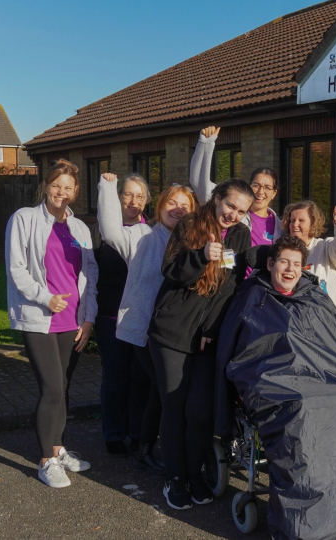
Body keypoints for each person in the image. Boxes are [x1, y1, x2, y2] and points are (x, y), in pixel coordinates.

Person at [216, 234, 336, 540]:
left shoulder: (315, 297)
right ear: (270, 263)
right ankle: (301, 526)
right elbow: (243, 351)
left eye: (296, 264)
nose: (290, 270)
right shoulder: (253, 297)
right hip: (275, 381)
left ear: (304, 268)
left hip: (323, 380)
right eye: (284, 262)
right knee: (302, 409)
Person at [148, 179, 254, 510]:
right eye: (230, 206)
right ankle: (175, 478)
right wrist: (200, 256)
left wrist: (213, 326)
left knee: (200, 413)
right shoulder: (190, 224)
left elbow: (231, 284)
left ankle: (194, 475)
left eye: (241, 211)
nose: (234, 215)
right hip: (172, 333)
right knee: (176, 408)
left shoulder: (239, 235)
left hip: (207, 337)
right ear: (217, 198)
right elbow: (170, 270)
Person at [97, 171, 202, 474]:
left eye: (185, 205)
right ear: (160, 207)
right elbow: (111, 232)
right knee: (158, 386)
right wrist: (106, 187)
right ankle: (143, 444)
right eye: (173, 203)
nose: (178, 209)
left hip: (176, 333)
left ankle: (143, 441)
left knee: (152, 387)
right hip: (144, 328)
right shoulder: (142, 237)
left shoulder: (192, 245)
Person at [5, 158, 98, 488]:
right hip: (39, 319)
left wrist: (88, 318)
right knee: (53, 388)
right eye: (56, 185)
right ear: (45, 186)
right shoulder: (25, 219)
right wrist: (45, 298)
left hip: (72, 321)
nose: (62, 191)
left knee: (64, 388)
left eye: (68, 187)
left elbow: (90, 275)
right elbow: (17, 270)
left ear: (75, 192)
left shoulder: (80, 229)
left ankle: (58, 450)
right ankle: (46, 459)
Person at [90, 174, 151, 458]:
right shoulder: (101, 233)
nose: (133, 201)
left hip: (140, 320)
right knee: (115, 378)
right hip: (109, 319)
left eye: (139, 196)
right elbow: (89, 279)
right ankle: (114, 434)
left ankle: (137, 432)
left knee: (140, 378)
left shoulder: (151, 235)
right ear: (117, 197)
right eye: (127, 194)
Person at [189, 126, 283, 246]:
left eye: (267, 188)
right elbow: (198, 181)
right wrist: (206, 144)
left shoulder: (280, 226)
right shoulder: (230, 210)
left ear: (274, 193)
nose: (260, 191)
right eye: (256, 185)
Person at [281, 200, 336, 312]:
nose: (295, 225)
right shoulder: (283, 252)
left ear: (313, 223)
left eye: (301, 221)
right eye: (292, 220)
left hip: (327, 321)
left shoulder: (325, 247)